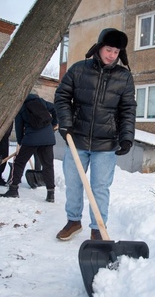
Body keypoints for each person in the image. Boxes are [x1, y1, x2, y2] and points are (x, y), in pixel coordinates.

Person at [54, 28, 136, 241]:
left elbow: (128, 109)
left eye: (116, 52)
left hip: (106, 144)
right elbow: (62, 96)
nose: (111, 55)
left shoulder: (124, 77)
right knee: (73, 183)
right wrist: (65, 123)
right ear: (99, 47)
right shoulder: (79, 70)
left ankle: (97, 228)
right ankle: (73, 221)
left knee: (100, 187)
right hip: (77, 139)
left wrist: (126, 137)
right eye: (108, 49)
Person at [0, 93, 58, 202]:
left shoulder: (21, 106)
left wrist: (21, 141)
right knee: (48, 165)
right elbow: (55, 109)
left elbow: (18, 127)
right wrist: (54, 124)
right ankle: (51, 194)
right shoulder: (41, 101)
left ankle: (13, 190)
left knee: (19, 162)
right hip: (48, 138)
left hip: (31, 138)